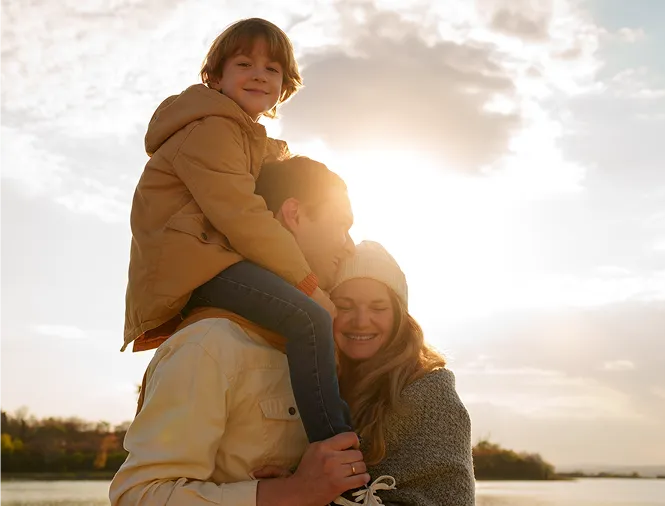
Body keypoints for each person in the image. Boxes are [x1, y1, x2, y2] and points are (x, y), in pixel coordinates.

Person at [123, 17, 355, 453]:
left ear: (284, 85)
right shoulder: (210, 129)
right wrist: (307, 283)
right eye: (244, 63)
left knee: (310, 318)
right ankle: (337, 450)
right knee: (310, 317)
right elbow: (242, 216)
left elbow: (274, 176)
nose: (258, 75)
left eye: (272, 70)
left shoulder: (242, 136)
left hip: (211, 258)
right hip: (195, 263)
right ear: (215, 76)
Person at [110, 156, 374, 506]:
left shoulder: (315, 350)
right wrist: (293, 492)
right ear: (294, 215)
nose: (350, 245)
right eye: (342, 225)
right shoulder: (210, 345)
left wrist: (298, 488)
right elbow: (138, 496)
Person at [330, 241, 476, 506]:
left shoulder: (431, 395)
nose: (361, 320)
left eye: (378, 307)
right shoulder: (315, 385)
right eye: (345, 305)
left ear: (398, 316)